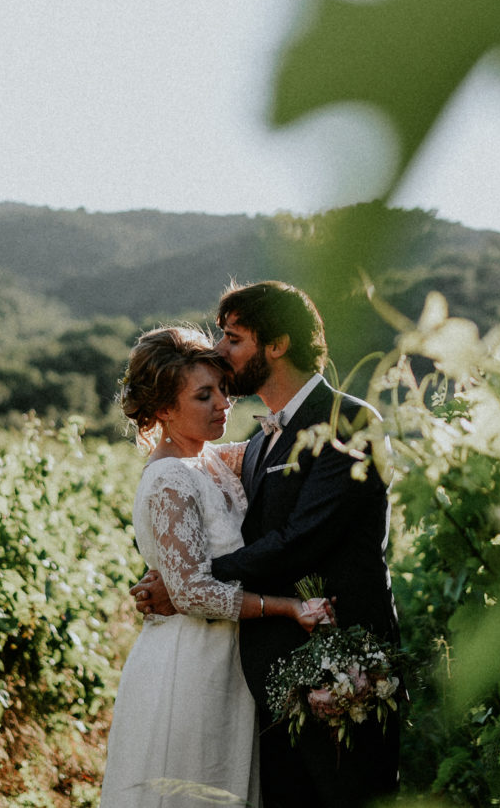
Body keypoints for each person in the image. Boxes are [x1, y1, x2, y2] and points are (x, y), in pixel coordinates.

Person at [133, 282, 400, 808]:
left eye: (233, 339)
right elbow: (184, 501)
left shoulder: (348, 420)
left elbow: (299, 540)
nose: (221, 351)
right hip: (263, 679)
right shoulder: (256, 442)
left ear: (276, 345)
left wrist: (193, 580)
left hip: (341, 666)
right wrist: (172, 574)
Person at [100, 325, 327, 808]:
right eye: (204, 396)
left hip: (227, 659)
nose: (224, 403)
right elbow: (193, 594)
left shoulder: (209, 459)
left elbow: (271, 448)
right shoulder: (168, 480)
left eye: (222, 389)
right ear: (163, 410)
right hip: (190, 661)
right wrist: (287, 607)